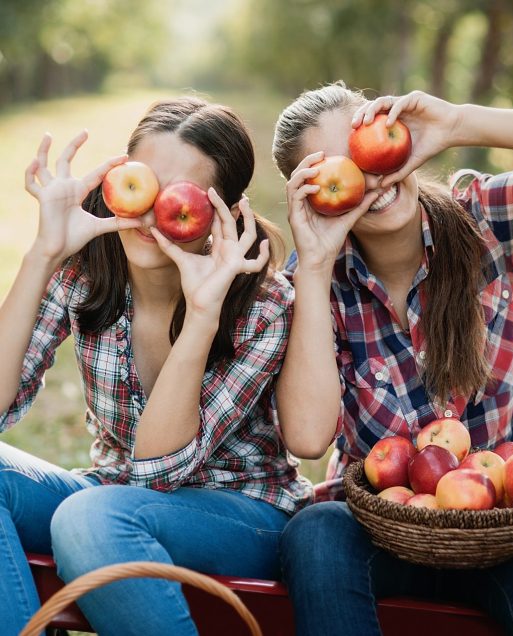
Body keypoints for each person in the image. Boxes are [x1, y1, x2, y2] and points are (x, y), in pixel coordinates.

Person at [271, 82, 513, 636]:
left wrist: (462, 123)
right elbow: (308, 437)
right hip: (380, 528)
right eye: (338, 169)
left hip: (502, 528)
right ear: (312, 194)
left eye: (368, 144)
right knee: (315, 532)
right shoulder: (312, 284)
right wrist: (315, 270)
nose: (371, 176)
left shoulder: (486, 223)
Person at [0, 96, 311, 636]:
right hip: (111, 497)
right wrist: (43, 253)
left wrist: (203, 314)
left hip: (240, 515)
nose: (151, 212)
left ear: (223, 215)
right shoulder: (87, 273)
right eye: (142, 182)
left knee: (91, 517)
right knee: (94, 512)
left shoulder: (263, 305)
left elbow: (160, 471)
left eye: (181, 195)